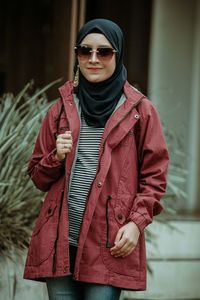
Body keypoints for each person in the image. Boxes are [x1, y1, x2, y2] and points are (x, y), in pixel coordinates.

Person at [23, 18, 169, 300]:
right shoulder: (60, 109)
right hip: (60, 242)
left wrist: (136, 223)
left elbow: (155, 177)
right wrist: (57, 156)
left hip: (108, 244)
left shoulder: (141, 112)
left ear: (118, 54)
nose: (93, 59)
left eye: (104, 52)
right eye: (84, 51)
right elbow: (38, 177)